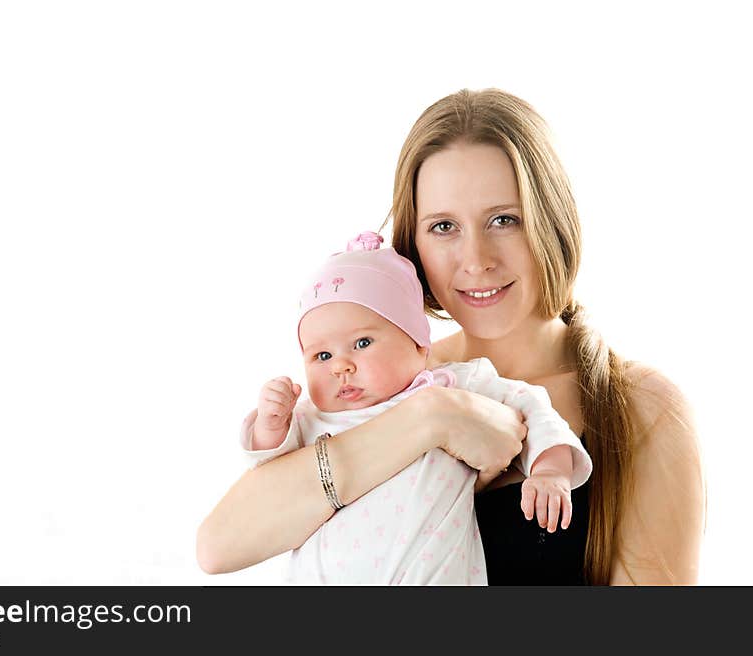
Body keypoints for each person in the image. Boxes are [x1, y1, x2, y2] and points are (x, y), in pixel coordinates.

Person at [197, 88, 705, 585]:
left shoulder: (641, 407)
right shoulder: (382, 386)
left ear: (552, 222)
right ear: (411, 244)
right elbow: (218, 548)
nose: (477, 259)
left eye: (504, 220)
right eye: (443, 227)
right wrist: (431, 418)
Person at [240, 232, 591, 584]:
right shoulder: (309, 417)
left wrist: (550, 469)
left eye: (362, 343)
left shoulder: (451, 387)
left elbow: (530, 405)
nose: (340, 367)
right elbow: (270, 480)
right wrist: (270, 425)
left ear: (419, 344)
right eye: (322, 355)